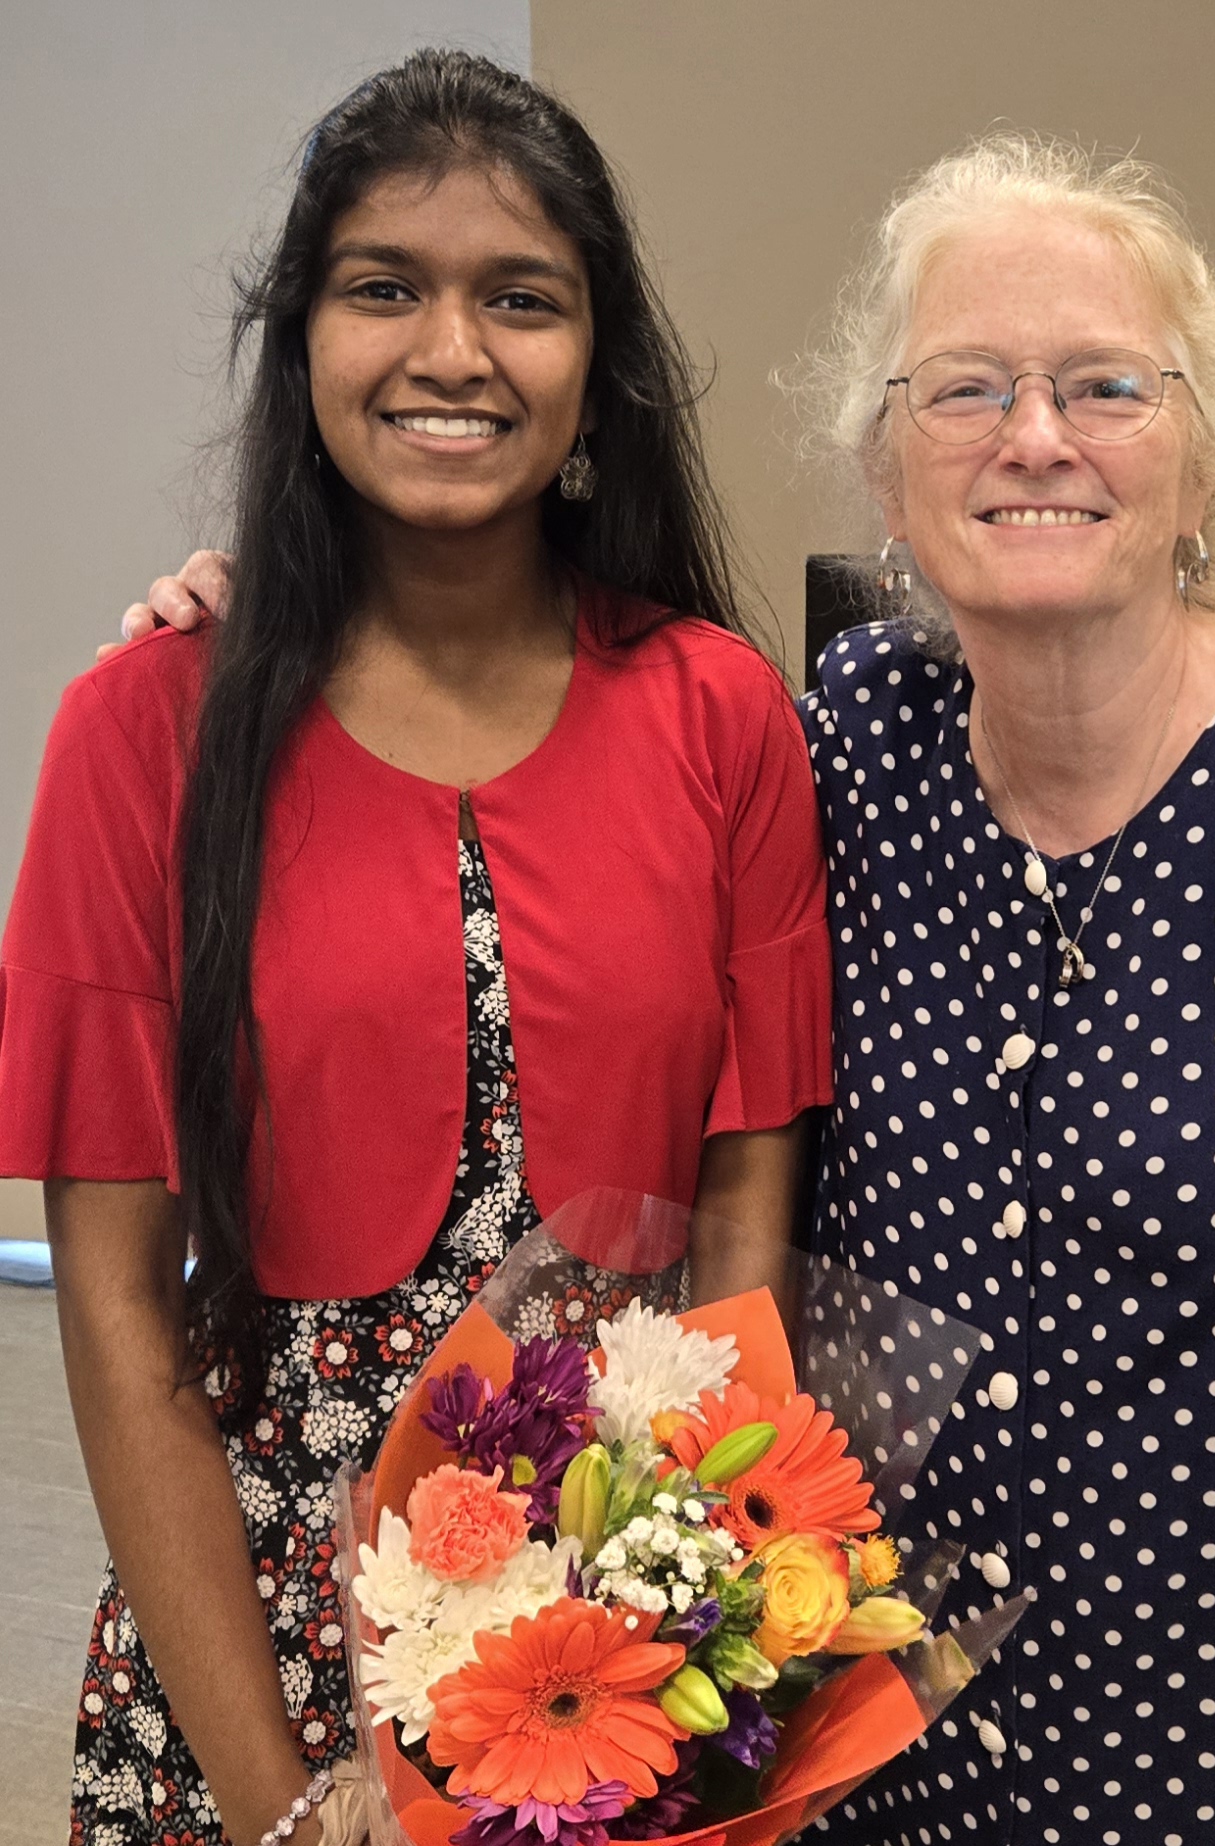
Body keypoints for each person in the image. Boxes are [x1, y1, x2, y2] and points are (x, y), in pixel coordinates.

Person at [101, 130, 1215, 1846]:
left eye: (1108, 387)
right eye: (966, 388)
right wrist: (276, 609)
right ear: (887, 477)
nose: (1036, 436)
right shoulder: (847, 745)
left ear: (1207, 468)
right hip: (854, 1757)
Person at [0, 51, 830, 1846]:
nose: (451, 350)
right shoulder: (147, 727)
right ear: (301, 346)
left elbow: (745, 1215)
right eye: (385, 287)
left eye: (519, 300)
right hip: (254, 1615)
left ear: (593, 372)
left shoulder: (725, 714)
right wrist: (285, 1804)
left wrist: (664, 1636)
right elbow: (119, 1305)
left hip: (623, 1607)